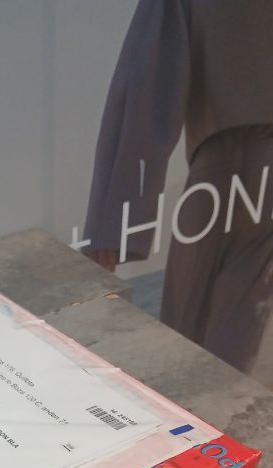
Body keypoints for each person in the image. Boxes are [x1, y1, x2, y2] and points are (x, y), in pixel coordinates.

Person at [83, 0, 273, 380]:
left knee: (181, 340)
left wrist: (111, 224)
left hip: (212, 165)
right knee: (235, 334)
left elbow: (144, 80)